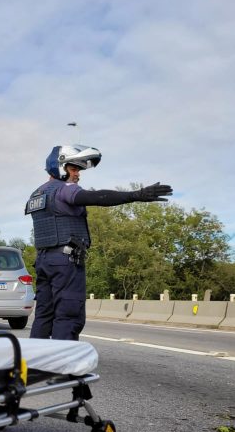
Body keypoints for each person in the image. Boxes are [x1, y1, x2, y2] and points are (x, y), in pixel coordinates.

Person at [26, 144, 173, 341]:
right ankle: (63, 367)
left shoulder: (37, 194)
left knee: (44, 315)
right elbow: (95, 197)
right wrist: (134, 195)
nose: (77, 174)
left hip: (44, 261)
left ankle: (35, 366)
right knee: (68, 315)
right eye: (73, 168)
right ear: (60, 167)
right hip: (64, 261)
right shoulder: (64, 190)